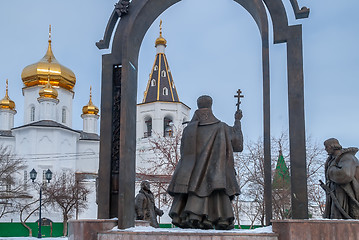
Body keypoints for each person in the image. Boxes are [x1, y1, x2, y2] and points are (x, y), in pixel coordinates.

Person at [167, 95, 243, 230]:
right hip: (216, 174)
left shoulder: (188, 130)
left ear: (198, 106)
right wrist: (237, 122)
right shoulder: (222, 127)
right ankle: (219, 219)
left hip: (192, 175)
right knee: (216, 190)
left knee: (198, 189)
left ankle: (195, 216)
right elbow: (237, 145)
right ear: (211, 106)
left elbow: (184, 153)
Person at [323, 138, 359, 219]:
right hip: (335, 193)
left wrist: (330, 170)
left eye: (327, 147)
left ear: (333, 146)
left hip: (344, 195)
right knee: (334, 220)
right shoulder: (333, 159)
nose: (325, 149)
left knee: (340, 219)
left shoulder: (347, 157)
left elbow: (345, 175)